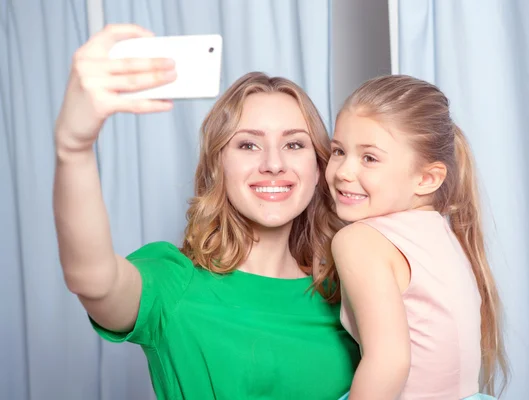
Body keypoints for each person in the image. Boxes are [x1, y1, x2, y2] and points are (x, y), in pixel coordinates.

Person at [53, 24, 359, 400]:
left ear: (318, 169)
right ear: (218, 167)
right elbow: (92, 280)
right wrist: (74, 148)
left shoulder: (349, 289)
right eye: (248, 145)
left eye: (294, 144)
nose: (274, 164)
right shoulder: (175, 284)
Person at [324, 75, 509, 399]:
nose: (343, 171)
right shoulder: (442, 233)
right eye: (338, 151)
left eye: (369, 158)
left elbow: (389, 363)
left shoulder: (359, 241)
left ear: (426, 178)